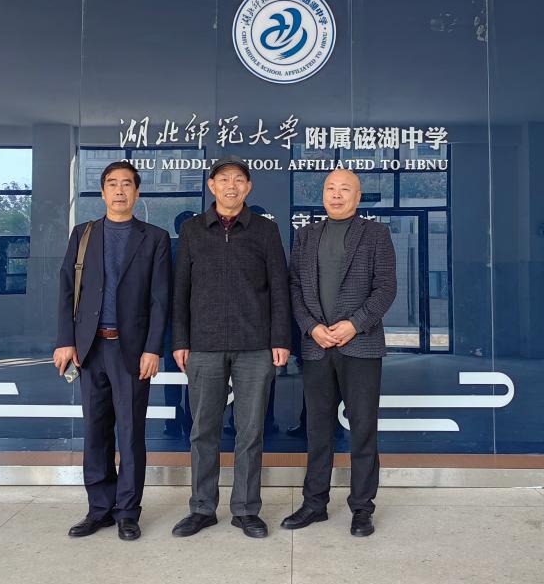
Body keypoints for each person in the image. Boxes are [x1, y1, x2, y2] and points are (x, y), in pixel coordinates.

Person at [170, 155, 291, 539]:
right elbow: (180, 290)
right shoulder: (192, 230)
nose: (231, 186)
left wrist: (280, 339)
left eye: (239, 179)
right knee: (203, 431)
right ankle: (202, 508)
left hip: (255, 346)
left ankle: (246, 510)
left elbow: (279, 288)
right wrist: (180, 340)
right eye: (223, 179)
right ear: (211, 186)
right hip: (203, 346)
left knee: (250, 432)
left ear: (248, 187)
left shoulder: (265, 231)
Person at [53, 160, 171, 541]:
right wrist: (65, 340)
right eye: (112, 184)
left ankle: (128, 512)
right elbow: (67, 289)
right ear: (102, 192)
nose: (120, 191)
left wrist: (153, 348)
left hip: (132, 351)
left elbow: (160, 300)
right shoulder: (83, 234)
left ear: (137, 192)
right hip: (90, 349)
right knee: (95, 431)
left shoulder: (154, 238)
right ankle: (99, 508)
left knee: (131, 433)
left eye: (127, 185)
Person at [282, 169, 397, 537]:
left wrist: (354, 324)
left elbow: (386, 288)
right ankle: (314, 504)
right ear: (323, 195)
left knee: (362, 430)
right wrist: (311, 327)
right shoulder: (306, 235)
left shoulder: (376, 234)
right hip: (317, 346)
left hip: (360, 345)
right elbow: (294, 288)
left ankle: (362, 508)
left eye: (344, 189)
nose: (336, 194)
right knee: (318, 431)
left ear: (357, 197)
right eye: (330, 188)